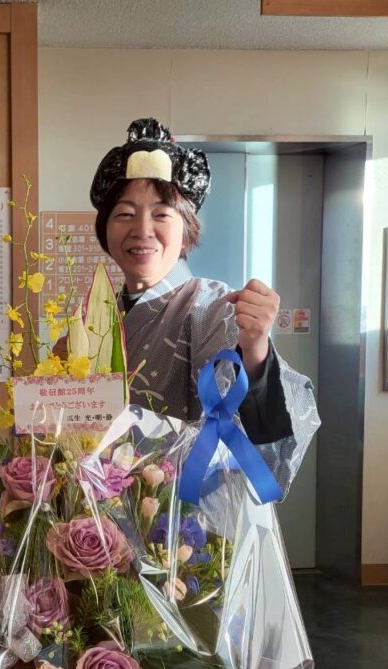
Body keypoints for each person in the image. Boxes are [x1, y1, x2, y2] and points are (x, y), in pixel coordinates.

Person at [89, 118, 319, 492]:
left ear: (186, 234)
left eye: (161, 214)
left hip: (190, 514)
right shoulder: (98, 319)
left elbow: (252, 440)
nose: (142, 230)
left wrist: (255, 351)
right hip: (105, 509)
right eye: (125, 214)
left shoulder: (212, 308)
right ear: (106, 233)